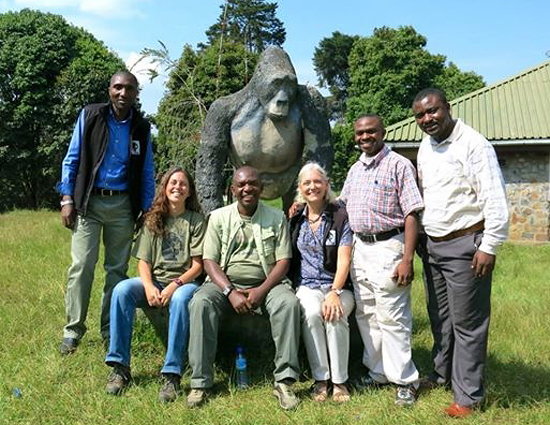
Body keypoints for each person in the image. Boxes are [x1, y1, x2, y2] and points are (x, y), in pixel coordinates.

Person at [412, 88, 509, 418]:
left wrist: (489, 246)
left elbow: (494, 199)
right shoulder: (426, 146)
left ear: (447, 108)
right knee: (440, 317)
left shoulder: (474, 144)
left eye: (433, 111)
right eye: (421, 116)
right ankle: (442, 376)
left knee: (468, 324)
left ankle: (468, 398)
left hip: (467, 246)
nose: (427, 119)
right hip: (433, 246)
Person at [187, 166, 301, 410]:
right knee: (200, 302)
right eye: (241, 185)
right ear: (233, 189)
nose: (247, 188)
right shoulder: (218, 217)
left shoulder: (275, 217)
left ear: (261, 188)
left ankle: (284, 381)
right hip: (225, 284)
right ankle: (200, 381)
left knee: (288, 303)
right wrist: (230, 292)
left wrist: (261, 290)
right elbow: (209, 261)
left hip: (268, 283)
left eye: (252, 184)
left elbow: (283, 261)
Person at [57, 71, 155, 355]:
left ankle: (109, 330)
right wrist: (66, 199)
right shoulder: (90, 116)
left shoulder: (141, 127)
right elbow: (72, 158)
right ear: (109, 89)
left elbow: (147, 171)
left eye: (129, 89)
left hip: (124, 206)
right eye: (118, 87)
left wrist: (146, 210)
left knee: (117, 272)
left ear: (137, 94)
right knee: (81, 268)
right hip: (89, 203)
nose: (123, 93)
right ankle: (72, 331)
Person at [339, 114, 424, 407]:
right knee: (367, 313)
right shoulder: (355, 170)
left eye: (371, 132)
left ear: (382, 132)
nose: (365, 137)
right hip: (361, 248)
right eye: (360, 133)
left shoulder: (399, 165)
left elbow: (412, 212)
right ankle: (378, 372)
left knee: (393, 316)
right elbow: (341, 205)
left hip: (390, 245)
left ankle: (405, 380)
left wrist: (407, 258)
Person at [104, 167, 205, 402]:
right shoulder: (153, 218)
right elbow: (143, 261)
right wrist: (149, 287)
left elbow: (198, 266)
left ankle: (172, 373)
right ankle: (120, 367)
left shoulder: (196, 221)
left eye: (183, 184)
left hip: (184, 283)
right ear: (165, 187)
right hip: (155, 280)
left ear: (189, 191)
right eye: (173, 182)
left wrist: (173, 286)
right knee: (121, 290)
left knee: (180, 299)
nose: (177, 187)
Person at [288, 162, 355, 403]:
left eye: (317, 181)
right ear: (300, 188)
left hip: (337, 285)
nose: (312, 186)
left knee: (334, 313)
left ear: (326, 185)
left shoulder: (339, 216)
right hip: (306, 285)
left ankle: (339, 381)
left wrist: (335, 291)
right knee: (312, 313)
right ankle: (320, 379)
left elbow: (344, 260)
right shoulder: (296, 218)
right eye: (307, 183)